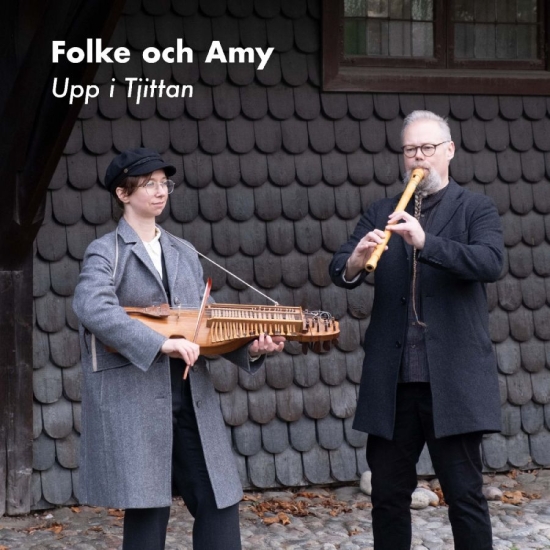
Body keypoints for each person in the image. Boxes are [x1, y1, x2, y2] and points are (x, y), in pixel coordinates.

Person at [73, 148, 284, 550]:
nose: (160, 191)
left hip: (191, 397)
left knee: (219, 502)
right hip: (137, 400)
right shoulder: (106, 250)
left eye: (164, 183)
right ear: (122, 193)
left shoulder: (183, 251)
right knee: (148, 512)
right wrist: (160, 343)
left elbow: (207, 322)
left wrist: (252, 347)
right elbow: (92, 306)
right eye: (148, 184)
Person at [329, 111, 504, 550]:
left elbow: (490, 262)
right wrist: (356, 260)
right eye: (410, 150)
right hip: (394, 382)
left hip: (453, 381)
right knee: (388, 498)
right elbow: (340, 269)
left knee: (465, 497)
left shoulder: (475, 208)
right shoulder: (381, 210)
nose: (418, 158)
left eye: (427, 148)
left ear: (449, 151)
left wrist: (428, 242)